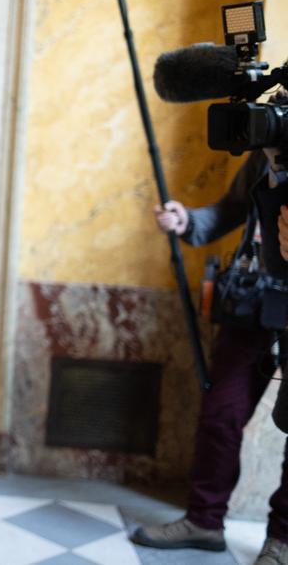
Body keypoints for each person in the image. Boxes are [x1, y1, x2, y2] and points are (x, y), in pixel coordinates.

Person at [134, 150, 288, 565]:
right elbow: (230, 210)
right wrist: (187, 221)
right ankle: (204, 521)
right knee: (222, 411)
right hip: (252, 298)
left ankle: (283, 540)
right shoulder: (271, 143)